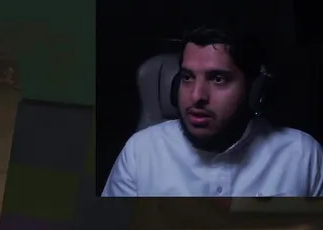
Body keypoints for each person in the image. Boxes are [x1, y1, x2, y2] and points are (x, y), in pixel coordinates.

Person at [102, 24, 323, 197]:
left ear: (253, 88)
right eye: (187, 77)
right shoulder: (141, 152)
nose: (197, 96)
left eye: (218, 79)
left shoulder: (301, 155)